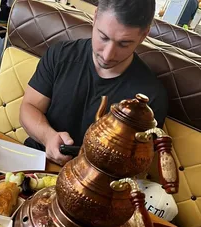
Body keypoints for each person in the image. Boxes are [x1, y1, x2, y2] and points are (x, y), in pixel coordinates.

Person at [20, 0, 168, 166]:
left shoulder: (150, 97)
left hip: (97, 184)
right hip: (36, 161)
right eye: (103, 37)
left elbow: (137, 162)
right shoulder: (61, 55)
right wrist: (47, 137)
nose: (107, 55)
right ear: (95, 15)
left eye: (123, 44)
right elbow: (29, 107)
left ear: (143, 35)